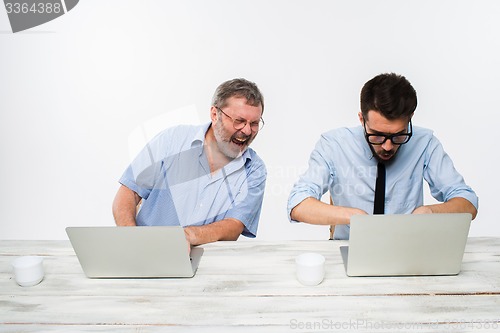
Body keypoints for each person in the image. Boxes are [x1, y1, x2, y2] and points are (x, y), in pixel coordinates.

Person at [287, 73, 478, 240]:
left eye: (398, 135)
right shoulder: (334, 144)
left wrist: (430, 212)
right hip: (350, 247)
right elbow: (298, 204)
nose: (387, 146)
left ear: (410, 118)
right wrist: (352, 216)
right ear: (362, 120)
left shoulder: (425, 143)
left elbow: (468, 203)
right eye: (377, 135)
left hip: (408, 250)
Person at [113, 78, 267, 246]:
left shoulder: (255, 169)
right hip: (146, 254)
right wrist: (132, 239)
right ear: (215, 115)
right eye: (239, 121)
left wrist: (186, 237)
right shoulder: (171, 141)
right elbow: (129, 193)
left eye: (254, 123)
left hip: (207, 265)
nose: (246, 130)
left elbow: (234, 225)